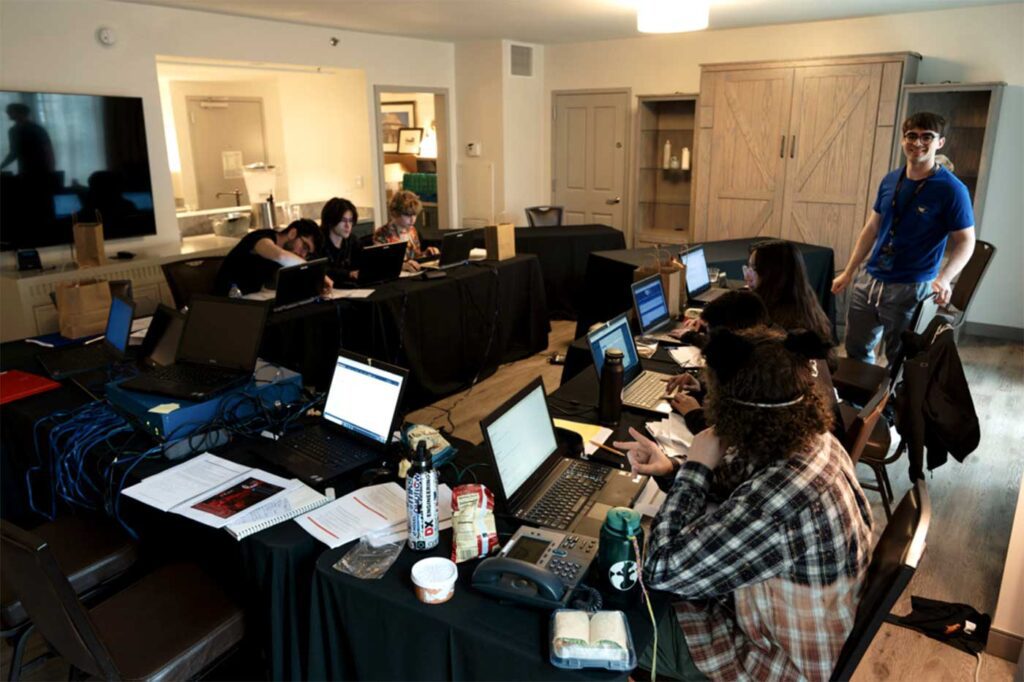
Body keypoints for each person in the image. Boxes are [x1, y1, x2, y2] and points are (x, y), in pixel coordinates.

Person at [614, 326, 873, 681]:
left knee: (607, 613)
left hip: (768, 660)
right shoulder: (813, 439)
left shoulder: (780, 501)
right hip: (789, 620)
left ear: (729, 406)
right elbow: (738, 495)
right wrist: (673, 470)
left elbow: (661, 570)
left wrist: (695, 466)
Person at [832, 111, 975, 365]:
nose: (917, 143)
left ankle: (892, 404)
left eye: (926, 137)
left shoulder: (952, 190)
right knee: (855, 350)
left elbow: (966, 241)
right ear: (903, 140)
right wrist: (849, 271)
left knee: (900, 360)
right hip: (870, 280)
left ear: (939, 142)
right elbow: (872, 228)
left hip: (911, 287)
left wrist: (944, 279)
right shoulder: (890, 180)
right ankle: (860, 402)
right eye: (911, 136)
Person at [743, 239, 838, 372]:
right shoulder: (802, 296)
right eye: (748, 267)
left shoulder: (784, 325)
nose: (747, 275)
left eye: (755, 269)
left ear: (774, 275)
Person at [214, 218, 326, 296]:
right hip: (225, 303)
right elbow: (280, 256)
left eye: (308, 253)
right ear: (292, 233)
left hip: (250, 303)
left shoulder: (288, 255)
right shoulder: (261, 238)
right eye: (304, 246)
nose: (303, 255)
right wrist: (314, 273)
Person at [373, 190, 437, 271]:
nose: (412, 220)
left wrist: (425, 254)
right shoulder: (382, 234)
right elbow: (380, 264)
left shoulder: (412, 231)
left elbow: (415, 258)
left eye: (414, 215)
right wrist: (402, 266)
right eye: (407, 215)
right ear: (395, 213)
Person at [320, 197, 362, 283]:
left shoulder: (353, 241)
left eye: (350, 221)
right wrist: (348, 274)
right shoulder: (319, 242)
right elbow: (321, 270)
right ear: (331, 220)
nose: (348, 225)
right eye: (343, 220)